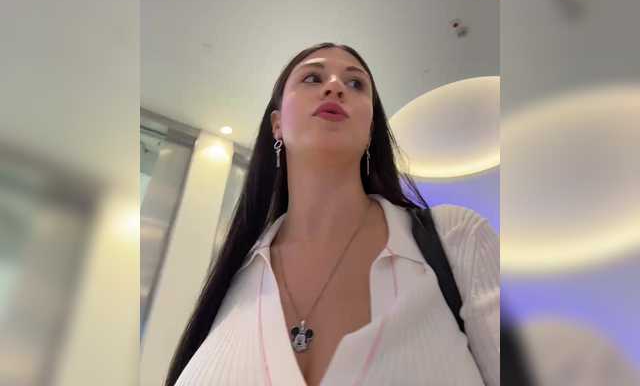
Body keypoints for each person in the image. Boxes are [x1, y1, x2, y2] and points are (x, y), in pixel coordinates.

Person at [165, 42, 499, 386]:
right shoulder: (236, 275)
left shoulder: (457, 238)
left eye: (355, 83)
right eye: (312, 77)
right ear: (277, 124)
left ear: (370, 131)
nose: (335, 86)